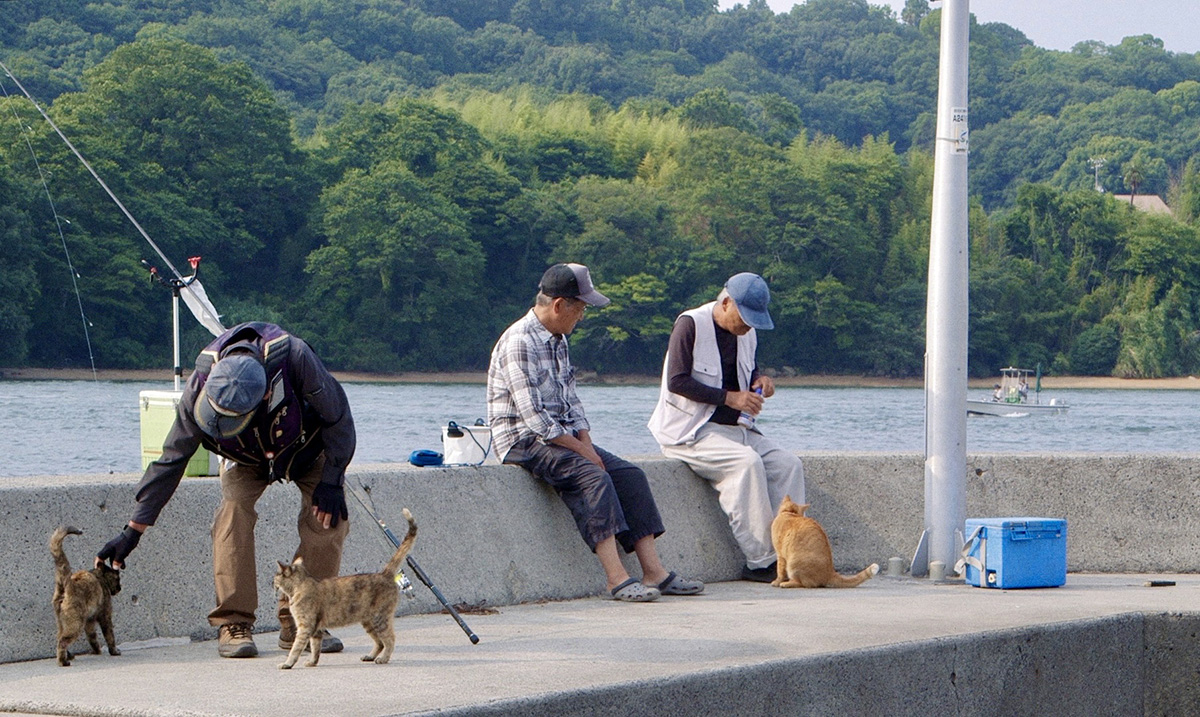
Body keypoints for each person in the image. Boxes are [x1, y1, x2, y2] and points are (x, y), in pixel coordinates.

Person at [96, 322, 355, 658]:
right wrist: (132, 531)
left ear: (265, 394)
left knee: (330, 519)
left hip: (304, 446)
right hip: (242, 457)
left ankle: (300, 621)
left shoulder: (296, 358)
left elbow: (338, 417)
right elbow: (172, 459)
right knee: (232, 513)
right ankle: (234, 622)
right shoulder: (199, 385)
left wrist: (332, 479)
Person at [487, 263, 703, 602]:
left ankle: (654, 572)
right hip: (522, 440)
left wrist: (586, 442)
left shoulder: (558, 339)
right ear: (559, 305)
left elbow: (571, 400)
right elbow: (535, 419)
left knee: (629, 475)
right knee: (593, 476)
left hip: (561, 437)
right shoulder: (519, 342)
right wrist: (584, 452)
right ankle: (616, 578)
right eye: (581, 308)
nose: (582, 316)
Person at [648, 272, 805, 583]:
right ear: (726, 303)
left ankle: (795, 553)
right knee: (746, 464)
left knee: (789, 465)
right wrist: (730, 398)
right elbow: (676, 381)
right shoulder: (690, 324)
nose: (748, 326)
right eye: (744, 318)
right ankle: (761, 562)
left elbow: (749, 369)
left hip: (738, 429)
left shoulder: (748, 333)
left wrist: (760, 382)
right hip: (690, 431)